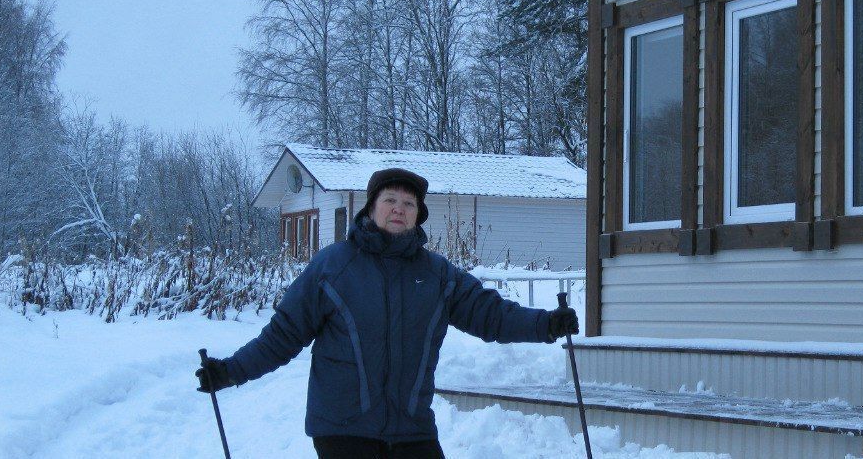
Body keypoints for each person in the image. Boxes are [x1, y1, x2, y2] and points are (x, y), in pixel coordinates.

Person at [196, 167, 579, 459]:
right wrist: (230, 371)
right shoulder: (333, 268)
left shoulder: (437, 275)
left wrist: (545, 324)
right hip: (343, 432)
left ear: (418, 215)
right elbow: (283, 335)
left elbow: (490, 314)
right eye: (390, 200)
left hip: (412, 430)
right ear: (372, 207)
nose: (399, 209)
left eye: (409, 204)